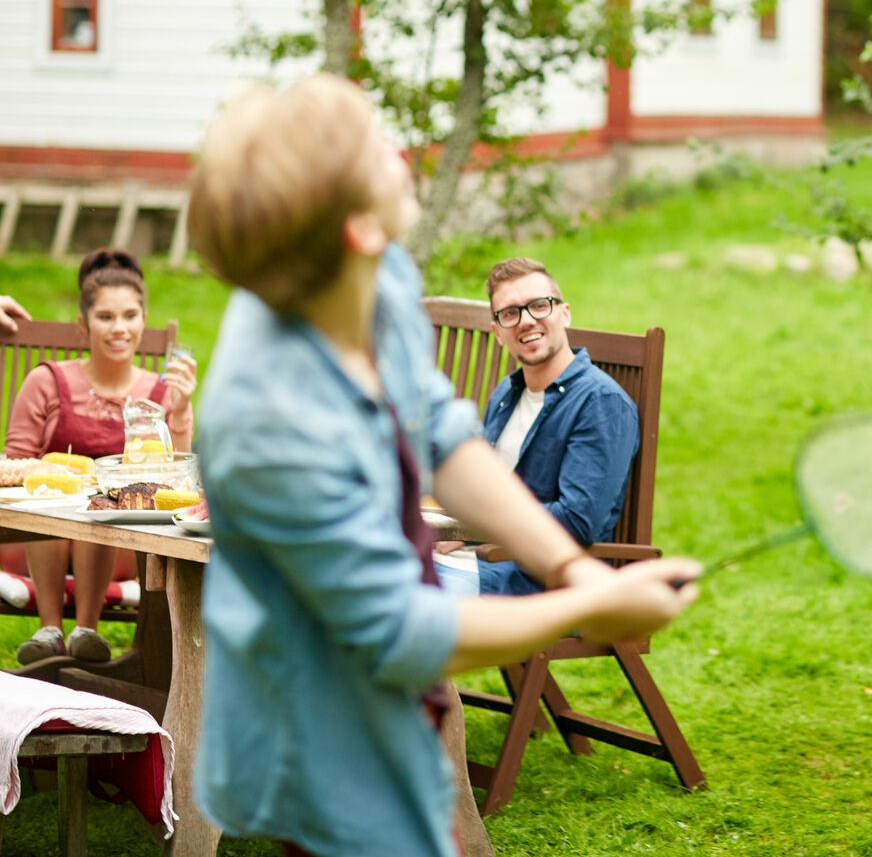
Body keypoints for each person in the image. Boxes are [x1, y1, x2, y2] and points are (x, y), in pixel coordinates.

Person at [186, 73, 698, 857]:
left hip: (393, 696)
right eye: (378, 149)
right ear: (355, 224)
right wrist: (581, 611)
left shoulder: (373, 274)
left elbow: (442, 434)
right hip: (311, 729)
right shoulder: (267, 423)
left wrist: (571, 567)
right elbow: (401, 634)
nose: (400, 154)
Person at [4, 249, 197, 664]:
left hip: (118, 545)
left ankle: (86, 632)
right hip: (36, 539)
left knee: (99, 508)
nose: (119, 328)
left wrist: (180, 412)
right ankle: (50, 629)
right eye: (105, 317)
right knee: (61, 508)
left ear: (144, 322)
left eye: (130, 316)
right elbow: (15, 461)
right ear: (83, 323)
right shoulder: (46, 381)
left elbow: (176, 480)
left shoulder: (162, 395)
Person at [434, 258, 638, 597]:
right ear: (497, 331)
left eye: (539, 306)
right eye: (510, 313)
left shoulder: (601, 402)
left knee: (395, 594)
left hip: (545, 580)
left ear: (564, 313)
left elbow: (577, 521)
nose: (526, 321)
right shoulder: (507, 393)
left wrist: (473, 529)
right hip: (484, 559)